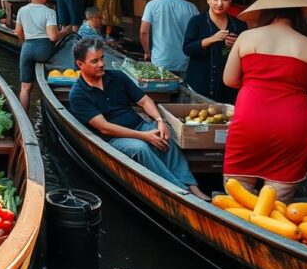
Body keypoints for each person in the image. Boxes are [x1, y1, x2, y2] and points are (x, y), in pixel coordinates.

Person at [223, 0, 307, 200]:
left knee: (238, 194)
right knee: (276, 203)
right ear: (298, 15)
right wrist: (298, 112)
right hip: (292, 126)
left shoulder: (247, 38)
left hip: (249, 119)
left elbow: (229, 79)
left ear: (264, 13)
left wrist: (256, 87)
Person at [68, 38, 208, 200]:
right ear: (80, 64)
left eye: (102, 58)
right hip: (113, 138)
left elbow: (144, 101)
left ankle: (192, 187)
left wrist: (160, 121)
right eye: (94, 61)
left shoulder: (117, 77)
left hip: (139, 125)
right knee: (140, 148)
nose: (101, 64)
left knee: (164, 134)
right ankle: (179, 191)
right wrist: (144, 136)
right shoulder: (78, 94)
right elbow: (104, 127)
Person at [182, 0, 246, 104]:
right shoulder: (196, 22)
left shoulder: (239, 25)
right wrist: (211, 39)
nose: (219, 4)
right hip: (199, 85)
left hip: (228, 89)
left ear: (230, 0)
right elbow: (187, 48)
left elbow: (246, 55)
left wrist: (236, 46)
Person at [16, 0, 72, 109]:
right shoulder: (49, 12)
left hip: (27, 49)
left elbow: (18, 32)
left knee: (25, 87)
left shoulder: (22, 10)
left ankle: (23, 118)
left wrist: (26, 43)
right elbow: (53, 37)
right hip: (44, 50)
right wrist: (65, 31)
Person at [140, 0, 199, 76]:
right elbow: (198, 33)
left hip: (160, 62)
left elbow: (144, 31)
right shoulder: (191, 8)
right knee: (183, 92)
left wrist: (147, 52)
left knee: (161, 91)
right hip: (184, 63)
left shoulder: (152, 5)